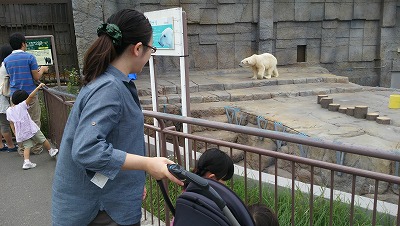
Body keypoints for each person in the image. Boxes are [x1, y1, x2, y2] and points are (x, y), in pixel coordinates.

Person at [51, 9, 183, 226]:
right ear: (138, 49)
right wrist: (147, 164)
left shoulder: (106, 80)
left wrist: (133, 179)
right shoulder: (109, 88)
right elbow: (87, 149)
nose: (151, 56)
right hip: (98, 210)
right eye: (152, 49)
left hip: (104, 200)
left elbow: (116, 138)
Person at [3, 33, 49, 156]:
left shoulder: (6, 60)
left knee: (18, 123)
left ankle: (22, 149)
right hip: (30, 94)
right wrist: (43, 70)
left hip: (15, 96)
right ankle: (36, 148)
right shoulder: (30, 57)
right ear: (23, 44)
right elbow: (36, 76)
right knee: (34, 121)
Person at [6, 83, 58, 169]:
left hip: (21, 132)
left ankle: (26, 162)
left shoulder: (8, 111)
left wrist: (15, 133)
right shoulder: (22, 105)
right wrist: (38, 87)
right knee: (43, 139)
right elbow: (30, 97)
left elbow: (11, 123)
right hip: (31, 129)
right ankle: (51, 151)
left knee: (27, 146)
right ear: (22, 100)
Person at [0, 45, 17, 152]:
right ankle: (10, 146)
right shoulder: (5, 66)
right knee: (5, 123)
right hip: (2, 97)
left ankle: (1, 145)